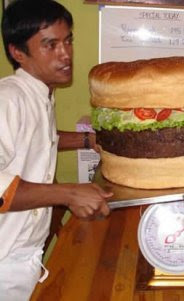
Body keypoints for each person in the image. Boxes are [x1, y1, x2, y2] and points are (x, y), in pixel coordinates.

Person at [0, 1, 112, 299]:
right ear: (17, 52)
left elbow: (40, 139)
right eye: (50, 45)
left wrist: (90, 141)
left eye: (68, 41)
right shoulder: (8, 99)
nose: (66, 54)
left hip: (25, 256)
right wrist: (69, 193)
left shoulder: (39, 93)